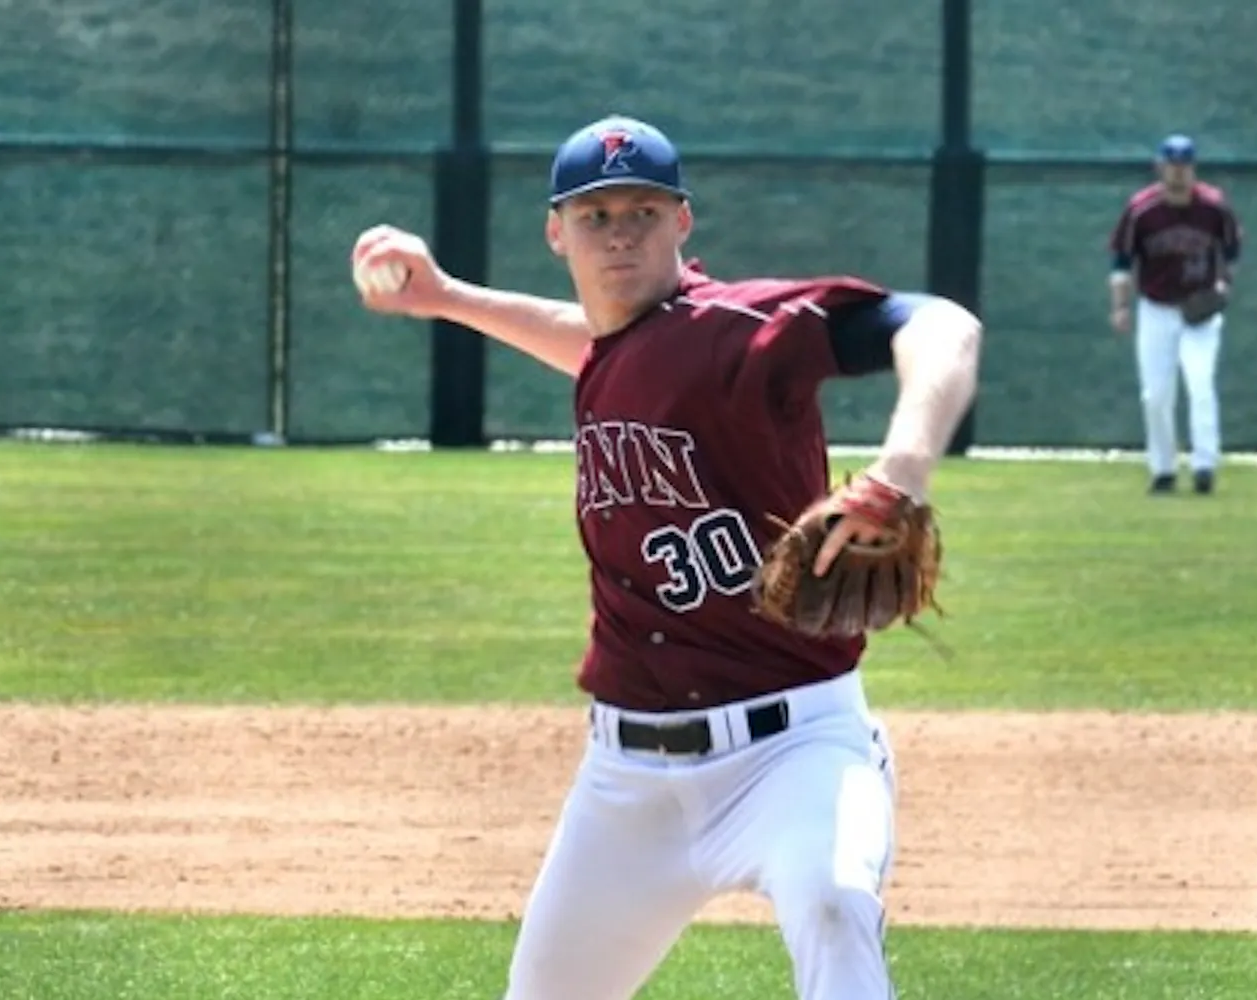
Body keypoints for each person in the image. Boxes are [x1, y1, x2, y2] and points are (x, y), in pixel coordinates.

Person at [350, 113, 982, 1000]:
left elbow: (942, 325)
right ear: (557, 232)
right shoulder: (621, 348)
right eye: (596, 215)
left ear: (682, 222)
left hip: (792, 752)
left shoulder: (740, 329)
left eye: (643, 212)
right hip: (627, 784)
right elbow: (599, 344)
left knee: (834, 900)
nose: (620, 233)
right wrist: (446, 296)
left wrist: (900, 474)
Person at [1107, 133, 1244, 496]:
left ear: (1193, 168)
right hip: (1156, 309)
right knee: (1155, 394)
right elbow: (1121, 262)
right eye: (1172, 164)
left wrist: (1223, 287)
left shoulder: (1214, 207)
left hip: (1200, 311)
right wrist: (1121, 306)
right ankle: (1163, 469)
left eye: (1184, 165)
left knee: (1200, 384)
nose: (1178, 171)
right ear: (1160, 167)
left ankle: (1204, 466)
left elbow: (1231, 252)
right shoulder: (1142, 209)